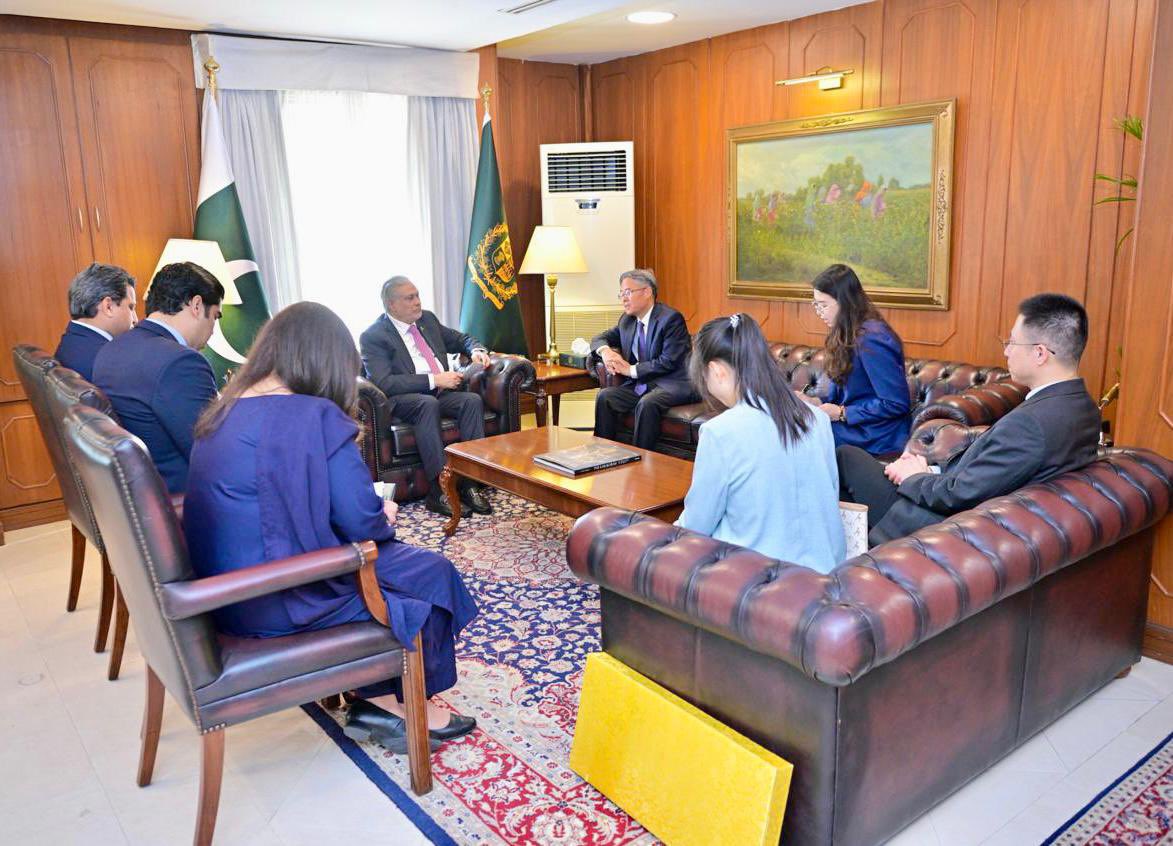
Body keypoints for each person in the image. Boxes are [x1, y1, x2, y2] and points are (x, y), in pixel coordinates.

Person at [184, 302, 478, 752]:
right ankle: (404, 703)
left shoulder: (221, 412)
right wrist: (383, 513)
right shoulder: (314, 415)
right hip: (286, 594)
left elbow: (270, 495)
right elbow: (361, 520)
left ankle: (376, 697)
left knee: (412, 569)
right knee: (432, 575)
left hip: (228, 596)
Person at [838, 293, 1101, 546]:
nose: (1007, 352)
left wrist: (914, 477)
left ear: (1040, 353)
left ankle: (843, 559)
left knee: (845, 458)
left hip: (940, 527)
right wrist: (932, 469)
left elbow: (958, 495)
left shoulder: (1030, 424)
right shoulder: (1083, 407)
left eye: (1012, 342)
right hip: (965, 505)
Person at [676, 314, 846, 572]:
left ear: (717, 370)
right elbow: (829, 500)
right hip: (824, 575)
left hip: (757, 582)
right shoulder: (817, 419)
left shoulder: (719, 433)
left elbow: (696, 526)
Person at [359, 276, 493, 518]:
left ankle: (470, 482)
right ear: (391, 305)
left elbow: (460, 339)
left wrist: (476, 350)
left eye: (417, 295)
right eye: (409, 298)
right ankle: (439, 490)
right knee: (426, 404)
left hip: (439, 393)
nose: (417, 302)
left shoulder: (427, 320)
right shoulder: (374, 336)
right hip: (403, 400)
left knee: (471, 401)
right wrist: (435, 380)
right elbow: (384, 382)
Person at [92, 262, 222, 493]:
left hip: (136, 491)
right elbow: (213, 453)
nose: (213, 329)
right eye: (215, 316)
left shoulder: (112, 348)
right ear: (196, 305)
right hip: (182, 495)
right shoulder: (181, 362)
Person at [802, 264, 910, 456]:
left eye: (824, 305)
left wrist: (842, 413)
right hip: (854, 425)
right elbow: (846, 396)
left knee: (799, 434)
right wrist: (814, 401)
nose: (819, 312)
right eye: (816, 305)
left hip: (876, 434)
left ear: (846, 302)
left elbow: (895, 403)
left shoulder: (873, 338)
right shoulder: (844, 331)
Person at [592, 269, 698, 451]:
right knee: (605, 397)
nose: (623, 299)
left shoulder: (670, 319)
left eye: (628, 292)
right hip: (643, 384)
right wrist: (606, 352)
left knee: (648, 403)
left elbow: (669, 361)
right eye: (621, 294)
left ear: (647, 292)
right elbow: (599, 339)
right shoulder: (627, 321)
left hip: (673, 383)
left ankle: (639, 457)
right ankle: (602, 453)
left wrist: (630, 370)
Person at [54, 263, 138, 381]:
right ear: (108, 307)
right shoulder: (110, 362)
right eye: (131, 307)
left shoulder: (69, 341)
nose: (135, 319)